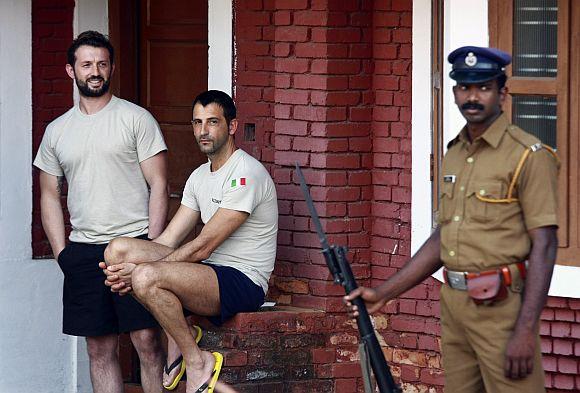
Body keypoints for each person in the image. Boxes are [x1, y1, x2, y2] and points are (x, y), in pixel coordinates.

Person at [344, 46, 559, 392]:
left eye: (484, 87)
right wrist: (384, 293)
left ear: (502, 93)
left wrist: (524, 329)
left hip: (503, 311)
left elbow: (546, 246)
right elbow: (444, 237)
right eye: (463, 87)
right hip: (455, 307)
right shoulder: (456, 154)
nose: (472, 96)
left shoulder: (528, 156)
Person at [100, 90, 278, 393]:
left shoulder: (245, 173)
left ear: (232, 126)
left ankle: (197, 361)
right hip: (209, 271)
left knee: (146, 276)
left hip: (242, 281)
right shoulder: (199, 176)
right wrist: (129, 265)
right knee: (118, 249)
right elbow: (169, 238)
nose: (203, 131)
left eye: (212, 122)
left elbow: (203, 245)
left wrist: (140, 272)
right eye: (197, 123)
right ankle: (183, 333)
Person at [33, 31, 168, 393]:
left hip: (134, 244)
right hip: (84, 251)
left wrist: (152, 246)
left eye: (102, 64)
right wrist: (63, 253)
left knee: (147, 341)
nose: (95, 71)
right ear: (70, 70)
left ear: (111, 68)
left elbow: (159, 184)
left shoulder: (136, 119)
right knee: (99, 347)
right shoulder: (57, 131)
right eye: (87, 64)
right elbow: (49, 193)